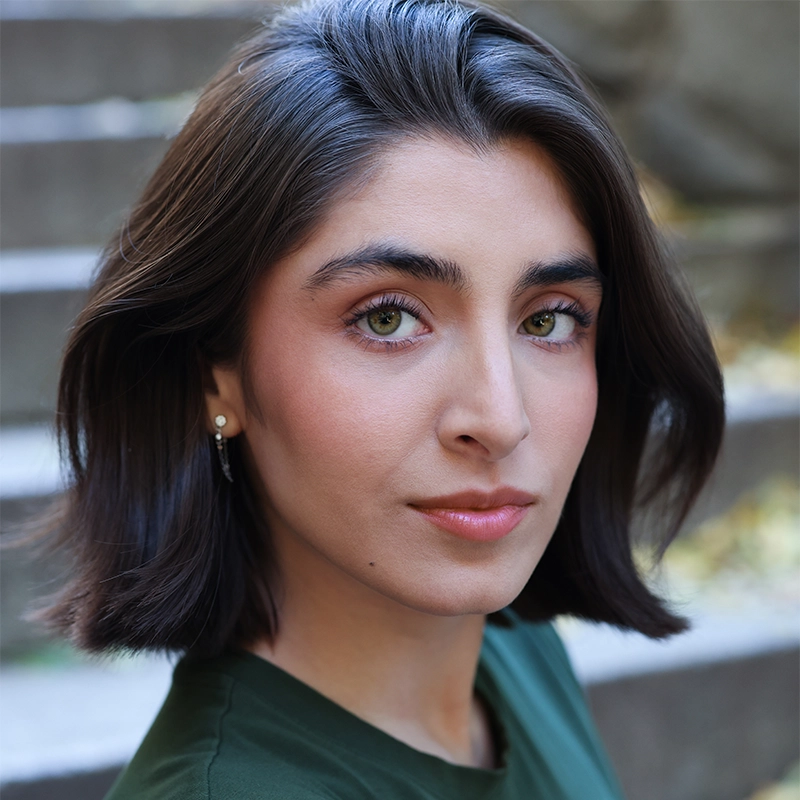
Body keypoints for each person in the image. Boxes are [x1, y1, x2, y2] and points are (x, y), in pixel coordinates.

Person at [41, 0, 725, 797]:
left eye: (548, 320)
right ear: (211, 374)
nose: (500, 419)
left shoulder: (510, 649)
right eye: (390, 319)